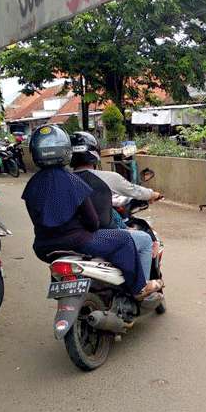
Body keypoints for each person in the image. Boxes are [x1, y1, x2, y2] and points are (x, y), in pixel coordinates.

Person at [22, 125, 161, 299]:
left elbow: (37, 219)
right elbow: (93, 222)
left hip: (43, 248)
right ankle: (139, 287)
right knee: (125, 239)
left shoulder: (32, 185)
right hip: (78, 242)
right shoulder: (72, 182)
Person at [68, 131, 161, 281]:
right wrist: (153, 194)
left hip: (69, 239)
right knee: (144, 240)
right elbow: (135, 191)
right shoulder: (108, 177)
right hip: (99, 237)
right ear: (95, 154)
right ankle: (142, 287)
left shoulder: (64, 180)